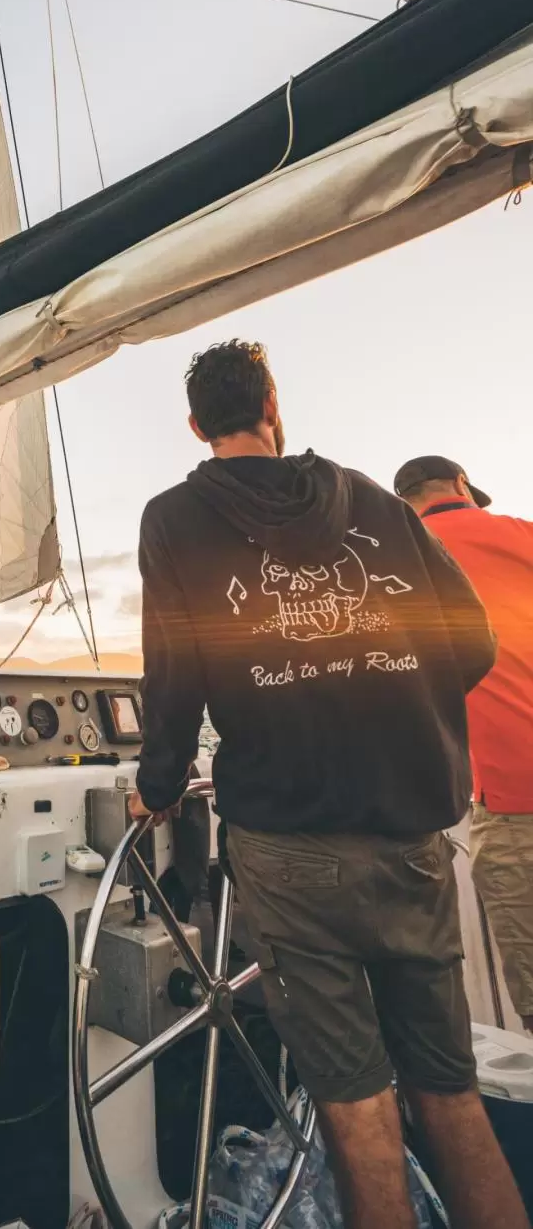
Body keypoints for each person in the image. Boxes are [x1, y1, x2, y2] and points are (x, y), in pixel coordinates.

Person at [128, 339, 528, 1229]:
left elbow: (175, 674)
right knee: (449, 1092)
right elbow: (471, 643)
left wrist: (158, 784)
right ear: (275, 405)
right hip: (411, 844)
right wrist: (391, 694)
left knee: (357, 1104)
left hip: (290, 850)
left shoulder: (174, 519)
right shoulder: (378, 503)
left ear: (197, 425)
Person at [395, 455, 533, 1033]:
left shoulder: (401, 561)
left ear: (403, 504)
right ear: (460, 485)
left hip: (511, 805)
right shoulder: (523, 536)